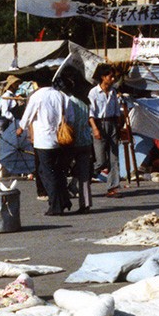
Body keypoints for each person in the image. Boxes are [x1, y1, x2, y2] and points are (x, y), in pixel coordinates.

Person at [18, 76, 73, 216]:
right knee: (59, 171)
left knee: (46, 173)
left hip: (43, 140)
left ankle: (55, 206)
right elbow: (70, 117)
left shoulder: (37, 96)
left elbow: (28, 115)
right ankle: (64, 200)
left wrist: (20, 128)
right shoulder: (61, 95)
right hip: (60, 139)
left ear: (36, 82)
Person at [88, 64, 125, 198]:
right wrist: (95, 129)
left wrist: (119, 127)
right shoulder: (93, 92)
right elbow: (91, 113)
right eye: (111, 76)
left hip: (112, 124)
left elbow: (116, 111)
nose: (113, 79)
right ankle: (80, 180)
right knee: (101, 161)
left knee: (114, 158)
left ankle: (113, 187)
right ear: (103, 77)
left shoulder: (113, 92)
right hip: (99, 124)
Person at [65, 84, 94, 214]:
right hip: (86, 140)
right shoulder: (86, 102)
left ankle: (63, 199)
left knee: (62, 170)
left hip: (72, 141)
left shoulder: (69, 101)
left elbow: (68, 121)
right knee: (84, 175)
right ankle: (85, 204)